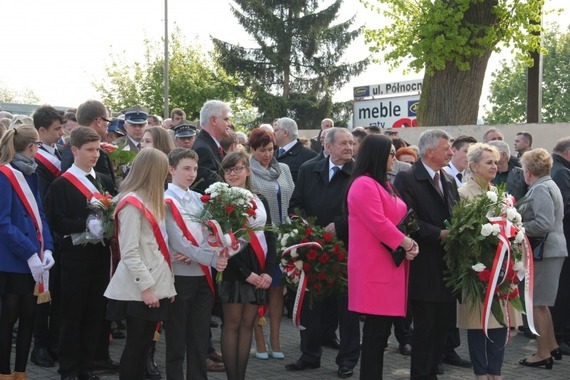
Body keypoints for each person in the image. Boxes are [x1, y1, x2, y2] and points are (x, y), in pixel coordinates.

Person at [286, 127, 361, 379]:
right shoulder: (309, 169)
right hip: (314, 247)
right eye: (343, 143)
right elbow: (295, 204)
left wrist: (339, 226)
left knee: (347, 310)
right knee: (311, 305)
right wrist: (307, 228)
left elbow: (364, 213)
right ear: (327, 147)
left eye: (351, 143)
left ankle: (347, 360)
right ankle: (309, 355)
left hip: (346, 248)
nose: (349, 148)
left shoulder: (359, 173)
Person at [346, 134, 419, 379]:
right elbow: (378, 222)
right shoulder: (363, 184)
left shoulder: (383, 183)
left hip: (388, 267)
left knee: (380, 334)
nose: (393, 158)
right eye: (390, 153)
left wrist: (408, 241)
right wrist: (406, 242)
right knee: (375, 336)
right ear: (378, 155)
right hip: (374, 269)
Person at [47, 127, 117, 380]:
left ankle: (87, 366)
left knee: (94, 313)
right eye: (89, 150)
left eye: (98, 149)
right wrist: (84, 224)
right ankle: (69, 368)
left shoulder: (104, 180)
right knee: (72, 314)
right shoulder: (61, 184)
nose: (95, 154)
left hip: (99, 256)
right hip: (75, 257)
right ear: (75, 150)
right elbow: (56, 222)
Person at [393, 129, 461, 379]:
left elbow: (455, 215)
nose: (451, 152)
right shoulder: (407, 179)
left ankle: (431, 372)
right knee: (423, 329)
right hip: (423, 266)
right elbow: (407, 220)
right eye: (447, 148)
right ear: (429, 151)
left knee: (442, 328)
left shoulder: (449, 179)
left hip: (446, 267)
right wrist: (439, 234)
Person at [104, 148, 176, 380]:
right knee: (135, 347)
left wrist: (167, 286)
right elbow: (130, 252)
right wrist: (146, 288)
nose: (167, 173)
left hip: (153, 284)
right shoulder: (132, 203)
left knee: (144, 345)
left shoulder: (151, 199)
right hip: (140, 289)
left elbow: (159, 248)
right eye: (164, 168)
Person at [457, 143, 521, 379]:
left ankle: (496, 372)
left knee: (500, 320)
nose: (495, 166)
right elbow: (462, 232)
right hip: (479, 268)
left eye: (495, 162)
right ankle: (481, 373)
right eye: (489, 162)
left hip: (503, 268)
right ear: (473, 166)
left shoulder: (502, 194)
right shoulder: (464, 193)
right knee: (478, 322)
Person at [164, 148, 228, 380]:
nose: (192, 174)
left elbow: (208, 234)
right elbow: (178, 241)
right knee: (176, 336)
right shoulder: (166, 201)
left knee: (200, 337)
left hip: (201, 276)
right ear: (171, 169)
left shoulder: (197, 199)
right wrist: (211, 259)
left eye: (194, 168)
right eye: (186, 169)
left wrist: (205, 253)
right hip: (180, 277)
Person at [0, 125, 55, 380]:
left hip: (35, 257)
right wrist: (30, 252)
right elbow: (3, 222)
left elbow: (40, 215)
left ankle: (21, 372)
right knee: (8, 318)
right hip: (14, 259)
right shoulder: (4, 174)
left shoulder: (31, 174)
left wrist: (48, 249)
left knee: (30, 317)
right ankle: (4, 372)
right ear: (32, 147)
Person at [218, 151, 276, 380]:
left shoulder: (260, 199)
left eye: (238, 168)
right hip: (235, 270)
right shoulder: (220, 201)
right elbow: (223, 244)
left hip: (259, 268)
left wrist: (268, 272)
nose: (233, 174)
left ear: (248, 171)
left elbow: (270, 236)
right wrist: (247, 274)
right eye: (228, 170)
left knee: (247, 325)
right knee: (232, 325)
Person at [517, 148, 568, 370]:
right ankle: (551, 346)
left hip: (546, 252)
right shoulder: (547, 184)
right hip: (550, 251)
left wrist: (517, 227)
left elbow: (543, 224)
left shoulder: (541, 189)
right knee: (541, 304)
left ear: (528, 171)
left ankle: (542, 353)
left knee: (537, 304)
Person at [248, 128, 294, 360]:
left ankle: (275, 339)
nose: (267, 154)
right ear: (252, 150)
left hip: (282, 236)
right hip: (259, 237)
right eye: (261, 150)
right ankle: (259, 340)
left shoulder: (283, 169)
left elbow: (289, 198)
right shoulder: (248, 171)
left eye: (270, 149)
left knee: (277, 289)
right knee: (259, 289)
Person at [30, 105, 64, 368]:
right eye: (56, 129)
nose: (61, 133)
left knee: (57, 295)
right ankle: (39, 345)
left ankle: (54, 343)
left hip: (59, 234)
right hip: (45, 232)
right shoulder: (36, 162)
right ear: (41, 132)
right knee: (42, 295)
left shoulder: (59, 153)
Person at [550, 137, 570, 355]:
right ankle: (559, 336)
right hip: (563, 239)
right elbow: (565, 207)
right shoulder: (562, 172)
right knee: (562, 292)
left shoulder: (559, 170)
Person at [192, 100, 231, 193]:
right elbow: (212, 189)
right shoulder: (203, 149)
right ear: (213, 120)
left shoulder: (209, 145)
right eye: (226, 119)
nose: (229, 124)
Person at [274, 117, 317, 183]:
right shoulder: (271, 154)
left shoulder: (310, 156)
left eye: (276, 130)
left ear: (285, 133)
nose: (273, 133)